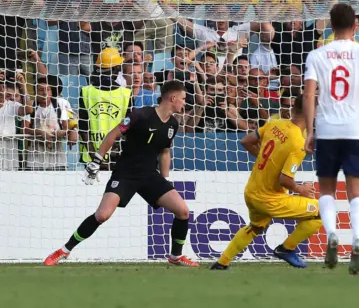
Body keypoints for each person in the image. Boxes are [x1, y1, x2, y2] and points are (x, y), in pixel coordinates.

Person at [43, 81, 199, 267]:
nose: (184, 103)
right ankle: (64, 251)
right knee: (102, 215)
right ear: (172, 98)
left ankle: (176, 256)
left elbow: (165, 152)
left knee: (182, 212)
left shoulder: (173, 124)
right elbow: (113, 134)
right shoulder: (141, 115)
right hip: (125, 173)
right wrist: (96, 161)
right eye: (183, 99)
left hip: (150, 175)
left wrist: (164, 182)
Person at [303, 3, 359, 275]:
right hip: (356, 130)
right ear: (356, 26)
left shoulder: (316, 55)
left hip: (327, 130)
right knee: (357, 192)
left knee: (327, 190)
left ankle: (331, 235)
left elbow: (308, 95)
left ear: (330, 25)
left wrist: (310, 130)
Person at [210, 95, 321, 270]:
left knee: (255, 227)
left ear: (293, 108)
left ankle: (221, 263)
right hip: (269, 199)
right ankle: (286, 248)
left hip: (252, 192)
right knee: (322, 212)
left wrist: (265, 158)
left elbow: (246, 141)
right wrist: (300, 189)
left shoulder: (274, 124)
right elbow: (285, 180)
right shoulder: (298, 142)